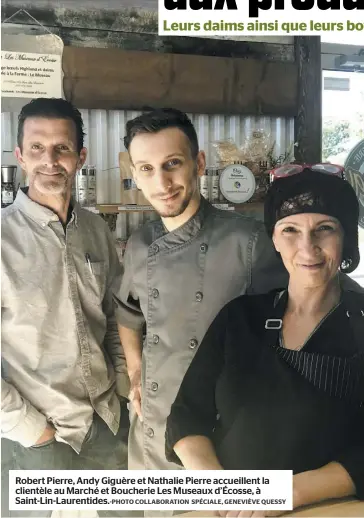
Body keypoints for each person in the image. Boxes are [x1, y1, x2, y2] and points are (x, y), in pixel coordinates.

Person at [166, 168, 364, 515]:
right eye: (290, 229)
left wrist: (289, 492)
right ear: (273, 238)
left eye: (325, 229)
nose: (308, 247)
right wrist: (220, 491)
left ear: (346, 238)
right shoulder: (240, 317)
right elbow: (186, 415)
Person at [113, 107, 290, 473]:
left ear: (199, 163)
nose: (162, 182)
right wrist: (135, 374)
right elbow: (128, 313)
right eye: (146, 168)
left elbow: (300, 323)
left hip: (215, 438)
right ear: (135, 175)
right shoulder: (139, 244)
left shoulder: (249, 241)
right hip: (150, 433)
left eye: (172, 163)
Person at [1, 98, 129, 518]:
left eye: (62, 148)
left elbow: (112, 319)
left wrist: (125, 387)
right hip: (35, 437)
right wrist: (31, 430)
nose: (49, 161)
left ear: (81, 157)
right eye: (37, 148)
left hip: (105, 421)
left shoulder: (96, 230)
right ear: (19, 155)